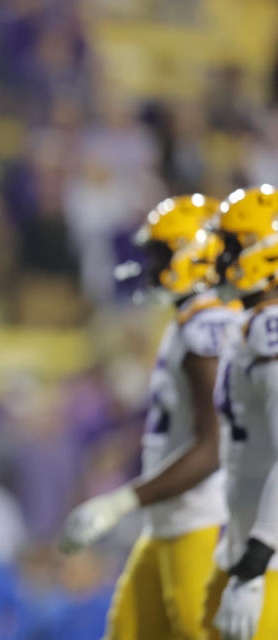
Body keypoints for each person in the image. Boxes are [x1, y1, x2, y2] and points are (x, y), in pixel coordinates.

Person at [59, 194, 238, 639]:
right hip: (171, 519)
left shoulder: (206, 326)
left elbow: (215, 445)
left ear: (192, 256)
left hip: (203, 520)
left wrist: (123, 501)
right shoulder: (188, 321)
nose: (150, 263)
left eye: (160, 252)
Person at [201, 186, 278, 640]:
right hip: (241, 545)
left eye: (231, 244)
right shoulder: (251, 322)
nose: (220, 257)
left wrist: (256, 561)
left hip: (266, 563)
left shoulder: (271, 328)